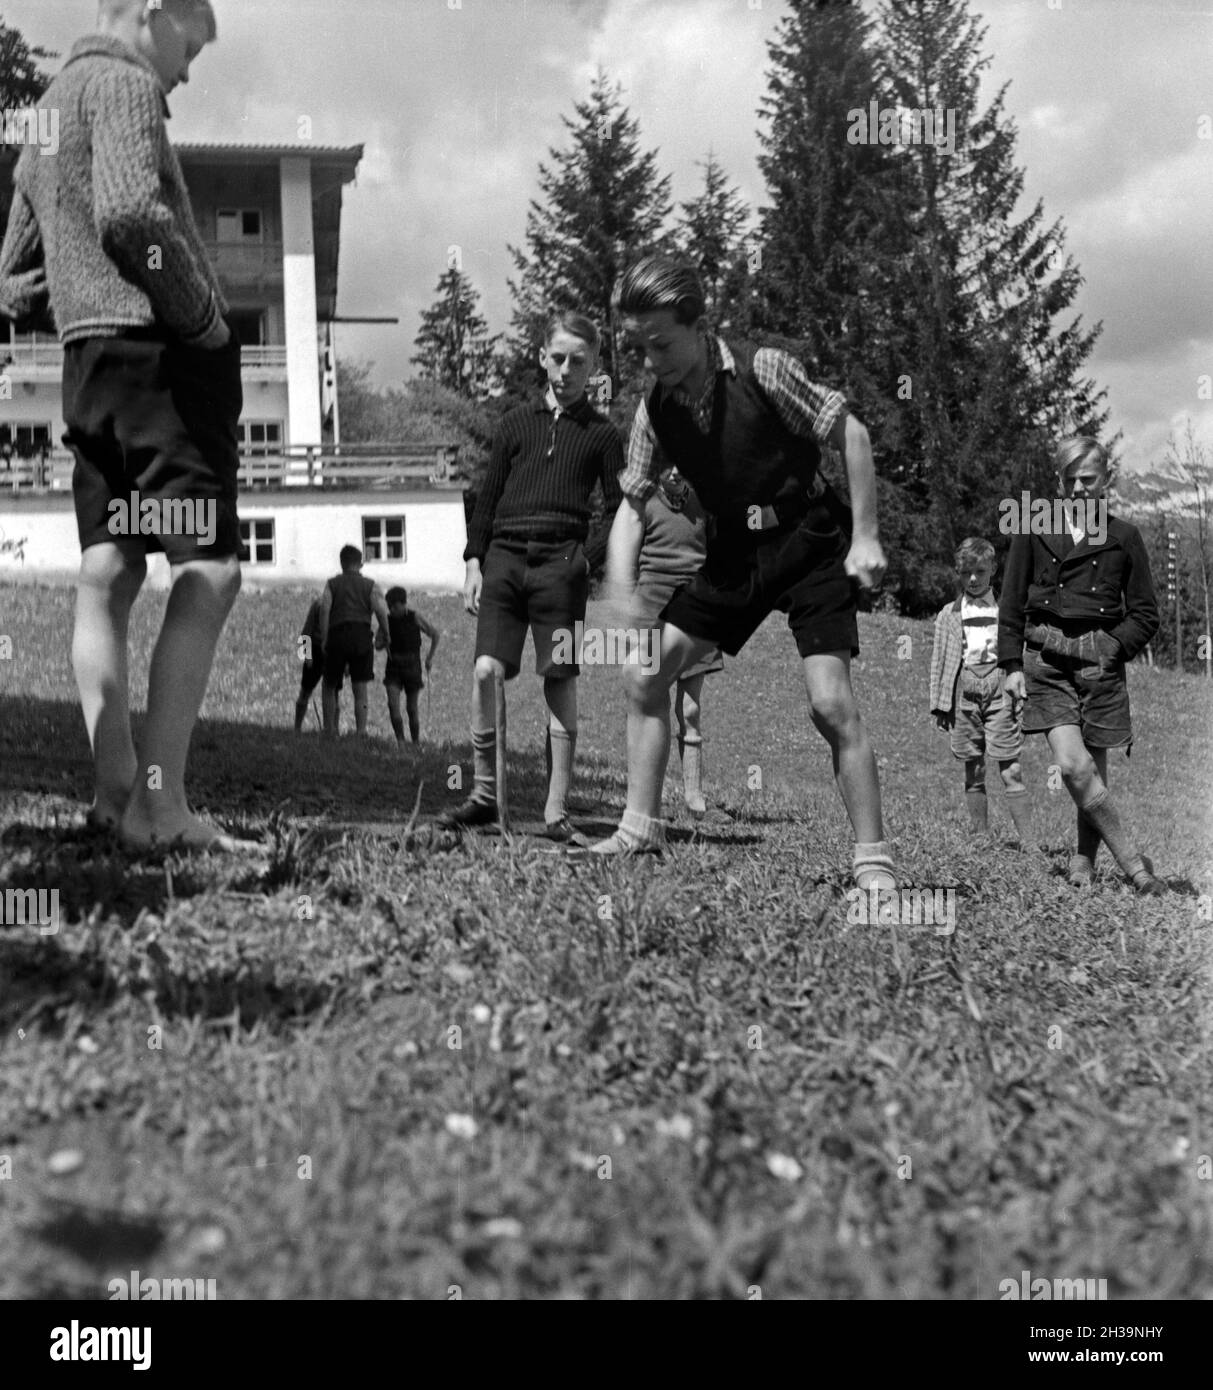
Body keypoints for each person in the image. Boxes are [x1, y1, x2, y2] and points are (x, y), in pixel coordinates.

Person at [0, 0, 253, 852]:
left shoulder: (45, 106)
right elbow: (130, 217)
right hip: (159, 362)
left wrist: (81, 301)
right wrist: (204, 321)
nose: (188, 68)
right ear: (152, 10)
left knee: (109, 569)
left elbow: (13, 284)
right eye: (192, 41)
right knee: (210, 572)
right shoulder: (126, 85)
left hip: (88, 370)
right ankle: (160, 806)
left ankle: (115, 796)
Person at [587, 256, 894, 890]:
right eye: (638, 347)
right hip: (734, 556)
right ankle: (638, 829)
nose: (650, 360)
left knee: (830, 703)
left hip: (809, 538)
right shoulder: (654, 410)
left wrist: (865, 537)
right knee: (644, 673)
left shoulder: (765, 369)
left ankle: (874, 863)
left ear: (700, 326)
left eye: (661, 344)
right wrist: (620, 594)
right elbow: (632, 499)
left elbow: (851, 433)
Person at [439, 312, 623, 840]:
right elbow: (487, 497)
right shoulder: (514, 425)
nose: (566, 370)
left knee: (560, 679)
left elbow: (618, 511)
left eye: (578, 362)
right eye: (558, 358)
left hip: (560, 570)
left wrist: (582, 559)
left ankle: (555, 811)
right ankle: (482, 795)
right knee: (485, 672)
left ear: (593, 368)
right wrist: (475, 559)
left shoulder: (603, 436)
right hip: (504, 560)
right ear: (542, 357)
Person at [998, 436, 1165, 893]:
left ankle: (1083, 863)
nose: (1077, 488)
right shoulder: (1034, 527)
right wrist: (1011, 664)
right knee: (1073, 766)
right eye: (1068, 479)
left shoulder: (1124, 537)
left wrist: (1113, 648)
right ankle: (1136, 866)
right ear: (1058, 481)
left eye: (1087, 479)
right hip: (1046, 662)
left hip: (1099, 667)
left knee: (1094, 771)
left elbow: (1146, 613)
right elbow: (1011, 600)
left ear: (1107, 480)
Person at [631, 465, 724, 817]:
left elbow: (722, 545)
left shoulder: (705, 501)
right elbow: (622, 548)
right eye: (666, 463)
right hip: (652, 607)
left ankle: (694, 796)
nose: (674, 470)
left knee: (690, 709)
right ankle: (646, 800)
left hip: (696, 606)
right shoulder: (642, 502)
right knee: (649, 704)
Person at [930, 537, 1034, 844]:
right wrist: (940, 704)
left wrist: (1021, 694)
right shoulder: (948, 615)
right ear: (958, 573)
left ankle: (1029, 845)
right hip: (966, 693)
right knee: (972, 767)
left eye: (980, 571)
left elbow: (1019, 656)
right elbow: (939, 661)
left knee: (1011, 769)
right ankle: (980, 839)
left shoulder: (1007, 613)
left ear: (993, 570)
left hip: (999, 690)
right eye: (966, 573)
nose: (973, 579)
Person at [317, 544, 391, 737]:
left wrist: (325, 638)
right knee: (360, 688)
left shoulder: (332, 584)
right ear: (361, 563)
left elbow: (325, 610)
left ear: (341, 562)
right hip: (362, 637)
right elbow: (381, 611)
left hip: (337, 635)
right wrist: (386, 633)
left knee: (330, 685)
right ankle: (361, 731)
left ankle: (330, 729)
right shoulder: (371, 585)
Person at [377, 587, 440, 745]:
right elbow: (377, 644)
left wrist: (429, 657)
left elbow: (435, 634)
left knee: (412, 709)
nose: (392, 610)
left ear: (404, 604)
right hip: (393, 668)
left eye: (395, 606)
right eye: (389, 606)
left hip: (412, 666)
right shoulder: (387, 620)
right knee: (393, 705)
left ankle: (416, 742)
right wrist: (385, 640)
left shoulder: (414, 617)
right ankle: (401, 741)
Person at [293, 591, 325, 734]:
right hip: (316, 650)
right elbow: (306, 631)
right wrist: (306, 655)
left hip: (334, 651)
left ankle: (332, 729)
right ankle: (297, 727)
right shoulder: (318, 604)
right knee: (305, 691)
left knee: (334, 692)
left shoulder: (342, 605)